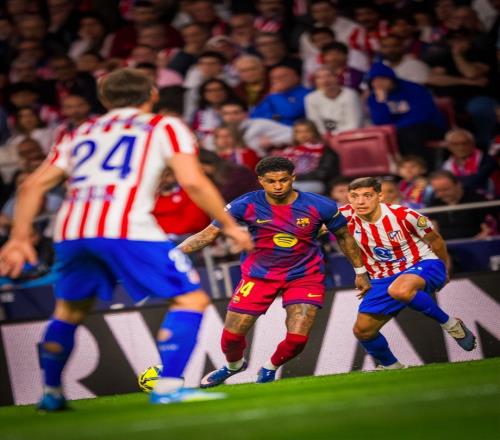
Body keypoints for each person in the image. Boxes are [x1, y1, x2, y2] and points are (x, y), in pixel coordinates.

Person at [0, 68, 253, 410]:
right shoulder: (164, 126)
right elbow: (193, 181)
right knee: (190, 300)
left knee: (69, 310)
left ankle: (52, 393)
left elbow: (31, 185)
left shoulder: (80, 131)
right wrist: (230, 225)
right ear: (152, 95)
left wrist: (18, 237)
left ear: (104, 99)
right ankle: (168, 387)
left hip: (72, 231)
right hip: (127, 227)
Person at [178, 157, 370, 386]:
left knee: (297, 339)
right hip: (258, 276)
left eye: (283, 180)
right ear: (261, 181)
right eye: (271, 181)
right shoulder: (245, 204)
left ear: (293, 178)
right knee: (231, 338)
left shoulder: (320, 205)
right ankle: (233, 366)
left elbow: (344, 237)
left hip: (304, 275)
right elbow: (208, 234)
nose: (278, 186)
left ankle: (269, 368)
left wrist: (360, 271)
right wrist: (172, 255)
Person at [340, 177, 476, 370]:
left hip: (422, 263)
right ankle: (391, 366)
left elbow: (435, 241)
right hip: (382, 277)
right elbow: (310, 226)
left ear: (380, 196)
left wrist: (444, 269)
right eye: (354, 196)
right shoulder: (343, 216)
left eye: (367, 195)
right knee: (363, 331)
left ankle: (452, 325)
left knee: (400, 289)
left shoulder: (405, 215)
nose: (360, 202)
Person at [305, 66, 363, 137]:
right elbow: (317, 126)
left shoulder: (350, 94)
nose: (325, 80)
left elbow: (354, 125)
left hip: (352, 136)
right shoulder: (310, 98)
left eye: (329, 76)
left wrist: (333, 135)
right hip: (326, 139)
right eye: (319, 77)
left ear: (337, 78)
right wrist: (327, 137)